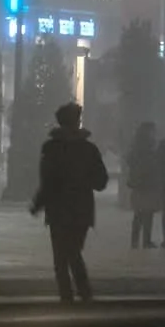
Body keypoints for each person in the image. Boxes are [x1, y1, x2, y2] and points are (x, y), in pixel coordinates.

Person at [30, 101, 108, 304]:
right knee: (73, 251)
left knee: (62, 257)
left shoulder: (52, 149)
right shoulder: (89, 150)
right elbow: (101, 182)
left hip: (58, 210)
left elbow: (47, 181)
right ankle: (84, 294)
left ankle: (69, 296)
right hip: (82, 210)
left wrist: (38, 204)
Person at [125, 119, 161, 250]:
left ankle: (135, 241)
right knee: (148, 212)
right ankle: (146, 240)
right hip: (148, 182)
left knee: (139, 212)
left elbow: (129, 160)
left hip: (138, 182)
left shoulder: (135, 146)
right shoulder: (150, 146)